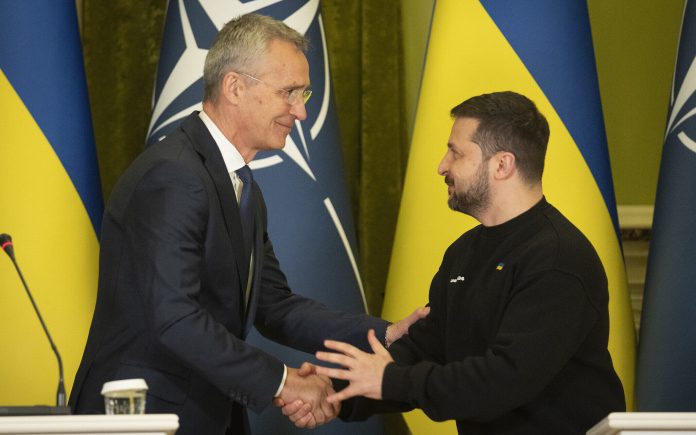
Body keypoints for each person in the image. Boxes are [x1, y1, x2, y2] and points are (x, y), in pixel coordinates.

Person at [68, 13, 424, 435]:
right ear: (235, 87)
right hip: (145, 415)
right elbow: (174, 316)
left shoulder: (240, 184)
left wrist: (384, 335)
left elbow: (275, 307)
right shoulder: (176, 175)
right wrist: (284, 381)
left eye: (304, 93)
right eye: (289, 92)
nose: (302, 112)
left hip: (208, 412)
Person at [289, 91, 626, 433]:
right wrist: (335, 391)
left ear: (502, 165)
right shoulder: (464, 252)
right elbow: (428, 348)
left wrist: (391, 380)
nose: (442, 166)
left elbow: (502, 380)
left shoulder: (558, 259)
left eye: (456, 152)